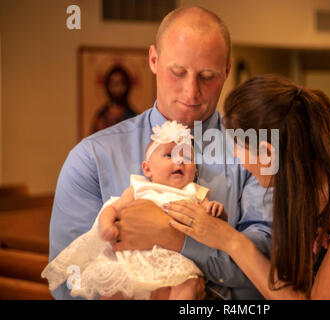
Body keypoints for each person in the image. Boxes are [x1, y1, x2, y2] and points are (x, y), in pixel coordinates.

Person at [49, 7, 272, 300]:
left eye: (207, 76)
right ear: (153, 60)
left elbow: (267, 271)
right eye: (177, 73)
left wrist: (176, 240)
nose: (191, 92)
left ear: (227, 71)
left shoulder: (258, 155)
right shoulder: (91, 158)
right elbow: (70, 284)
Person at [166, 74, 330, 300]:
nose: (235, 155)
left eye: (237, 145)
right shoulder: (301, 185)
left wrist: (231, 240)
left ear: (267, 154)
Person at [43, 121, 225, 300]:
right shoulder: (140, 188)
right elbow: (113, 208)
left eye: (186, 157)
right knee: (112, 287)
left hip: (172, 259)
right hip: (133, 256)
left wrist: (213, 209)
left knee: (188, 285)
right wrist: (106, 225)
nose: (179, 161)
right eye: (169, 155)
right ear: (148, 169)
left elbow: (212, 222)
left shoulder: (194, 193)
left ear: (195, 170)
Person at [91, 65, 137, 133]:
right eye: (113, 84)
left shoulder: (133, 118)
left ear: (127, 86)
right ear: (107, 86)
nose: (117, 88)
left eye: (120, 83)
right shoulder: (101, 118)